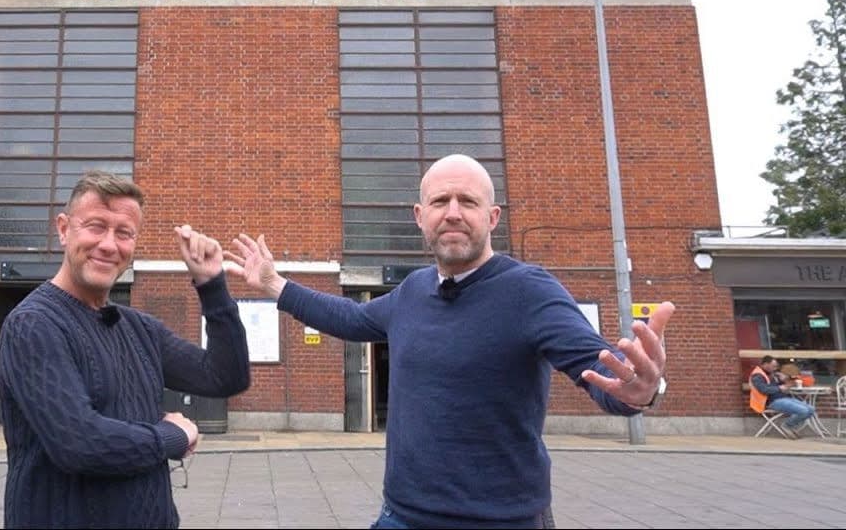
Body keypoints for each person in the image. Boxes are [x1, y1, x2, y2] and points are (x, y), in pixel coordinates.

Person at [225, 154, 675, 529]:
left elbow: (598, 367)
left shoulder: (530, 291)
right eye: (440, 201)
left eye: (468, 201)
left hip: (502, 520)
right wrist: (275, 285)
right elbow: (351, 317)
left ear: (492, 217)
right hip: (402, 515)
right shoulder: (412, 291)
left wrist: (640, 390)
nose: (453, 212)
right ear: (420, 217)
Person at [0, 170, 251, 529]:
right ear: (64, 229)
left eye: (124, 233)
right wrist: (173, 436)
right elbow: (79, 443)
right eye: (96, 227)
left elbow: (225, 376)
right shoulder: (34, 325)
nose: (109, 245)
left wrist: (212, 285)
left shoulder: (139, 329)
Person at [749, 355, 815, 437]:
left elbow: (781, 384)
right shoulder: (757, 375)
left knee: (811, 409)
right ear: (765, 364)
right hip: (771, 402)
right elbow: (764, 389)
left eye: (776, 366)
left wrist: (785, 380)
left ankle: (792, 427)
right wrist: (780, 388)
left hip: (783, 398)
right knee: (803, 411)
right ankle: (787, 425)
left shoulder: (772, 374)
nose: (775, 368)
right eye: (773, 366)